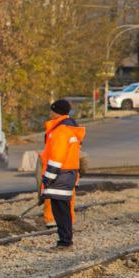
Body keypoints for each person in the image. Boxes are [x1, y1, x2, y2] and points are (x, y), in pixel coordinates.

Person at [40, 99, 84, 249]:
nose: (49, 113)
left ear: (56, 112)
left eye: (51, 110)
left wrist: (48, 178)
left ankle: (65, 241)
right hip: (68, 173)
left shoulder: (60, 131)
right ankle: (65, 240)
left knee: (60, 211)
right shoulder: (71, 128)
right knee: (63, 209)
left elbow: (57, 157)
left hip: (60, 174)